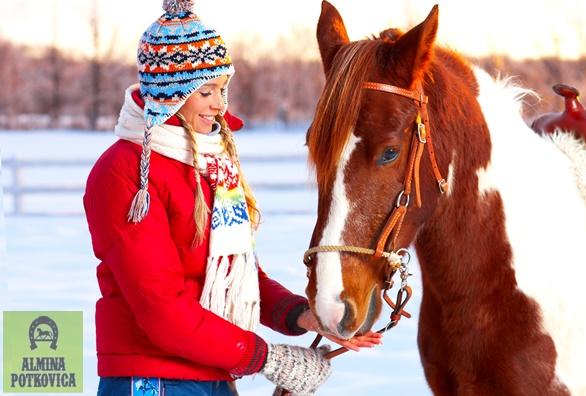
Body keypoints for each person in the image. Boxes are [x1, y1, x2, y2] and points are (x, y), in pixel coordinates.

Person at [83, 1, 381, 395]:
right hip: (153, 379)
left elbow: (239, 277)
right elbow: (162, 310)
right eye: (206, 91)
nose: (220, 104)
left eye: (223, 89)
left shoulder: (211, 165)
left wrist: (303, 317)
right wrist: (269, 359)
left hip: (215, 375)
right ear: (170, 94)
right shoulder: (126, 172)